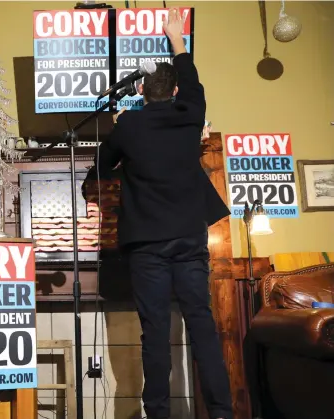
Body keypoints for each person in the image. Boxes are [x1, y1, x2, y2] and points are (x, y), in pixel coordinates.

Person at [82, 8, 233, 419]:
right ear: (177, 91)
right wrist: (176, 37)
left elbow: (99, 167)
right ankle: (222, 412)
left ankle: (158, 413)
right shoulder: (191, 114)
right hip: (188, 239)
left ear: (144, 90)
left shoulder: (129, 125)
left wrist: (119, 127)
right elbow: (193, 79)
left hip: (147, 246)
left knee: (155, 336)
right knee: (202, 327)